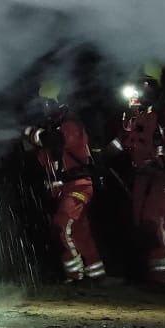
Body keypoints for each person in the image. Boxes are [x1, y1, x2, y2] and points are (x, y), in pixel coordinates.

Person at [111, 67, 165, 286]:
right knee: (139, 223)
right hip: (141, 175)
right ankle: (148, 274)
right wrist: (101, 155)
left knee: (153, 220)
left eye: (144, 84)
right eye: (137, 85)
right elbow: (124, 141)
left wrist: (163, 160)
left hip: (162, 175)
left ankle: (162, 279)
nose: (139, 91)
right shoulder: (135, 114)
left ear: (155, 87)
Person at [22, 84, 106, 285]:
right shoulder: (52, 129)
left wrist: (30, 132)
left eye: (46, 104)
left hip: (79, 185)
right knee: (80, 231)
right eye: (41, 105)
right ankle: (96, 274)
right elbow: (37, 151)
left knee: (61, 226)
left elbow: (52, 140)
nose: (44, 109)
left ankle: (75, 276)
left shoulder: (71, 125)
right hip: (66, 189)